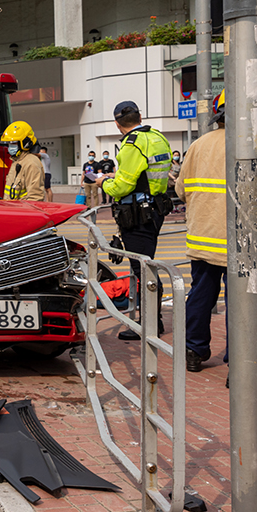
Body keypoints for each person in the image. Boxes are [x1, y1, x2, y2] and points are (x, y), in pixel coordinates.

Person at [177, 87, 257, 373]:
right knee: (244, 304)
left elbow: (181, 190)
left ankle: (194, 352)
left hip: (203, 241)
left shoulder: (198, 146)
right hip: (246, 244)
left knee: (201, 297)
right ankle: (238, 361)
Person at [96, 101, 172, 341]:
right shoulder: (158, 137)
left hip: (137, 214)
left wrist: (103, 183)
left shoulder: (132, 145)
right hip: (155, 209)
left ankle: (150, 324)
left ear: (117, 124)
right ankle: (153, 321)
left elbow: (121, 187)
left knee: (143, 269)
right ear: (140, 116)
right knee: (146, 265)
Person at [1, 121, 44, 201]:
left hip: (23, 211)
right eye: (9, 143)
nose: (10, 147)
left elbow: (35, 198)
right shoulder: (16, 161)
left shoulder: (31, 163)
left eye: (14, 143)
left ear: (25, 143)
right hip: (12, 210)